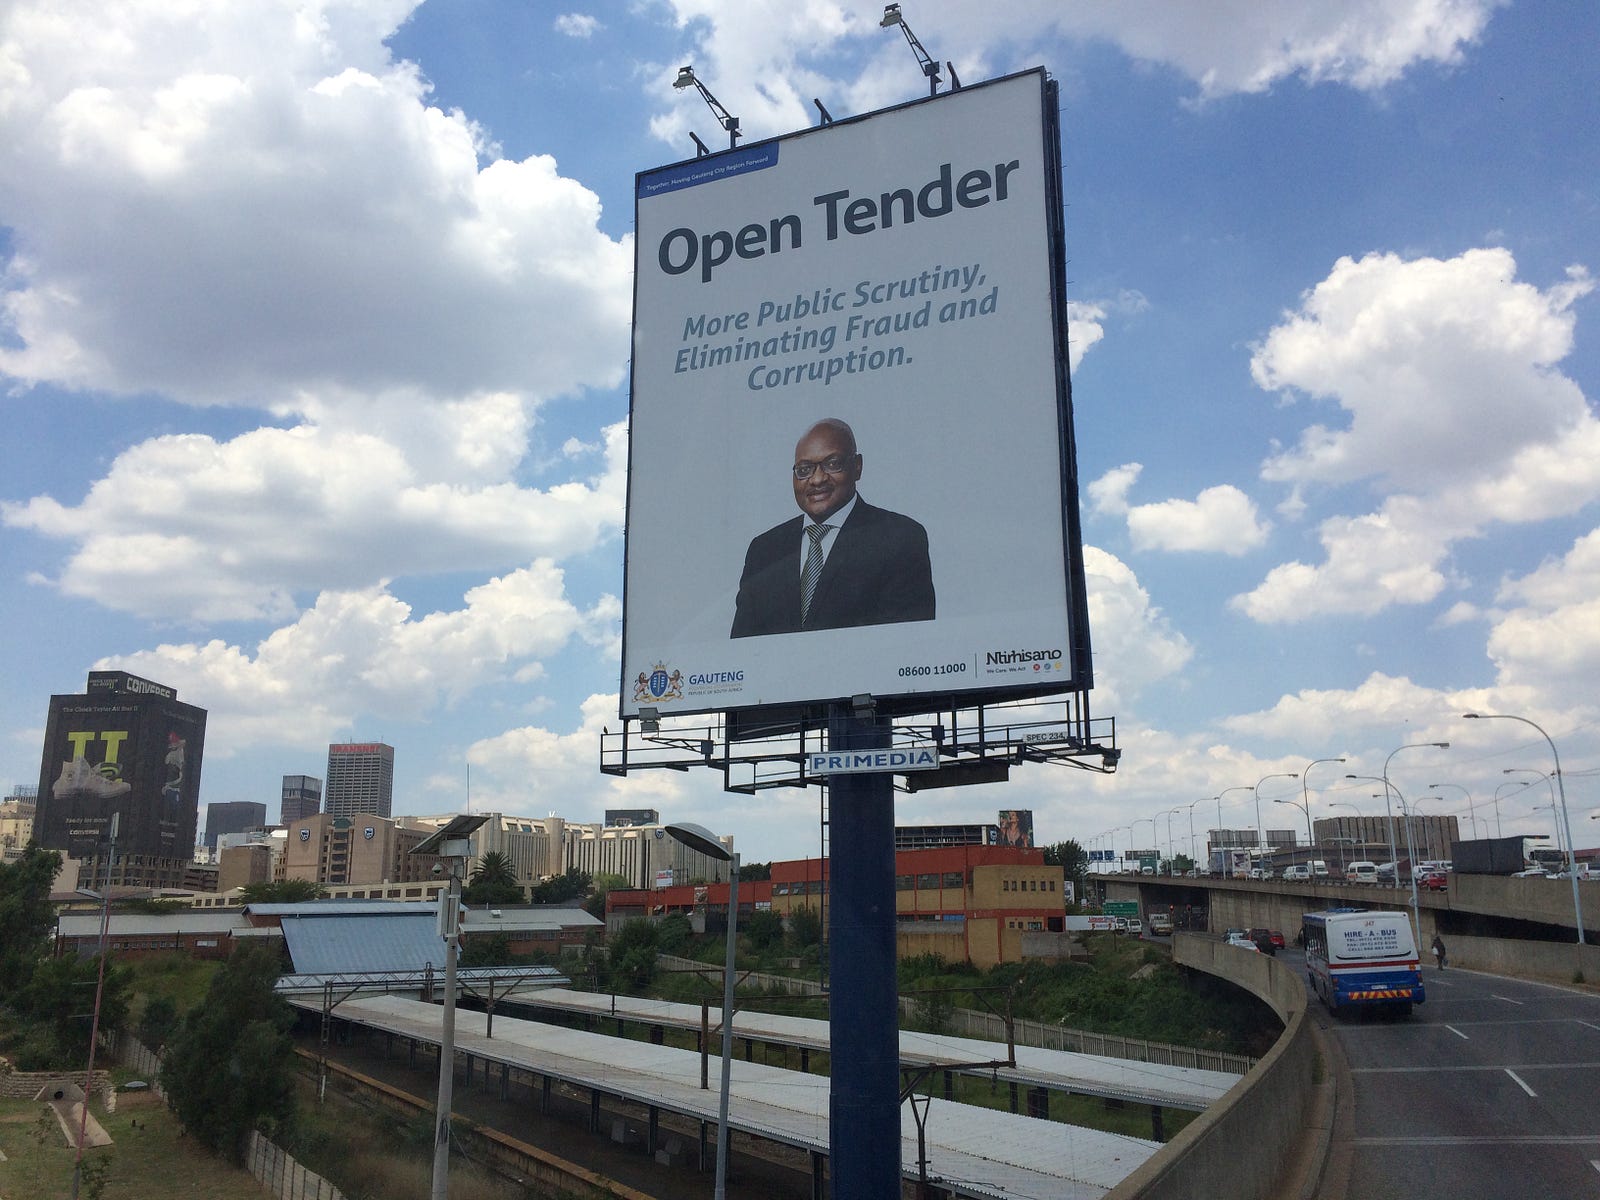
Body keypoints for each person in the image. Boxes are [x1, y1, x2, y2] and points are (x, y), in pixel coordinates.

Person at [730, 418, 935, 637]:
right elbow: (741, 653)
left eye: (832, 464)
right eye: (804, 469)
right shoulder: (764, 550)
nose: (817, 479)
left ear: (857, 467)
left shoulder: (899, 538)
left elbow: (909, 644)